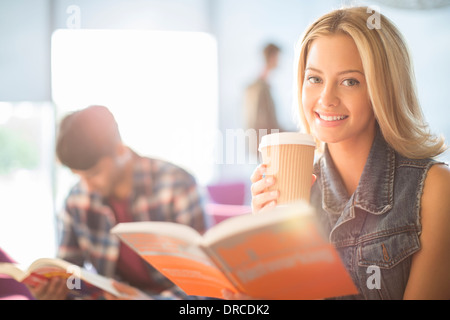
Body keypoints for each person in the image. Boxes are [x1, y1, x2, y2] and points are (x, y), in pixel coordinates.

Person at [229, 6, 450, 300]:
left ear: (383, 89)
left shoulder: (435, 190)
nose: (326, 99)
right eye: (315, 79)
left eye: (350, 81)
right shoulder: (293, 190)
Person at [29, 105, 206, 300]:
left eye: (94, 174)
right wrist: (57, 292)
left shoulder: (176, 185)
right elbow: (70, 273)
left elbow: (203, 282)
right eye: (79, 177)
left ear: (120, 151)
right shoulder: (77, 200)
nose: (87, 186)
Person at [244, 43, 286, 149]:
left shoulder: (258, 86)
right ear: (272, 57)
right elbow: (263, 123)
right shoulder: (260, 89)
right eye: (278, 57)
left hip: (261, 145)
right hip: (264, 146)